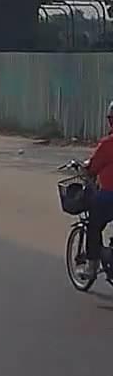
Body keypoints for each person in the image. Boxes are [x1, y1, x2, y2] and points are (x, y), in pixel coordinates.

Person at [80, 101, 113, 268]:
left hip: (109, 196)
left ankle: (91, 265)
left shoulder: (108, 144)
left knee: (93, 224)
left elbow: (93, 167)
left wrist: (86, 170)